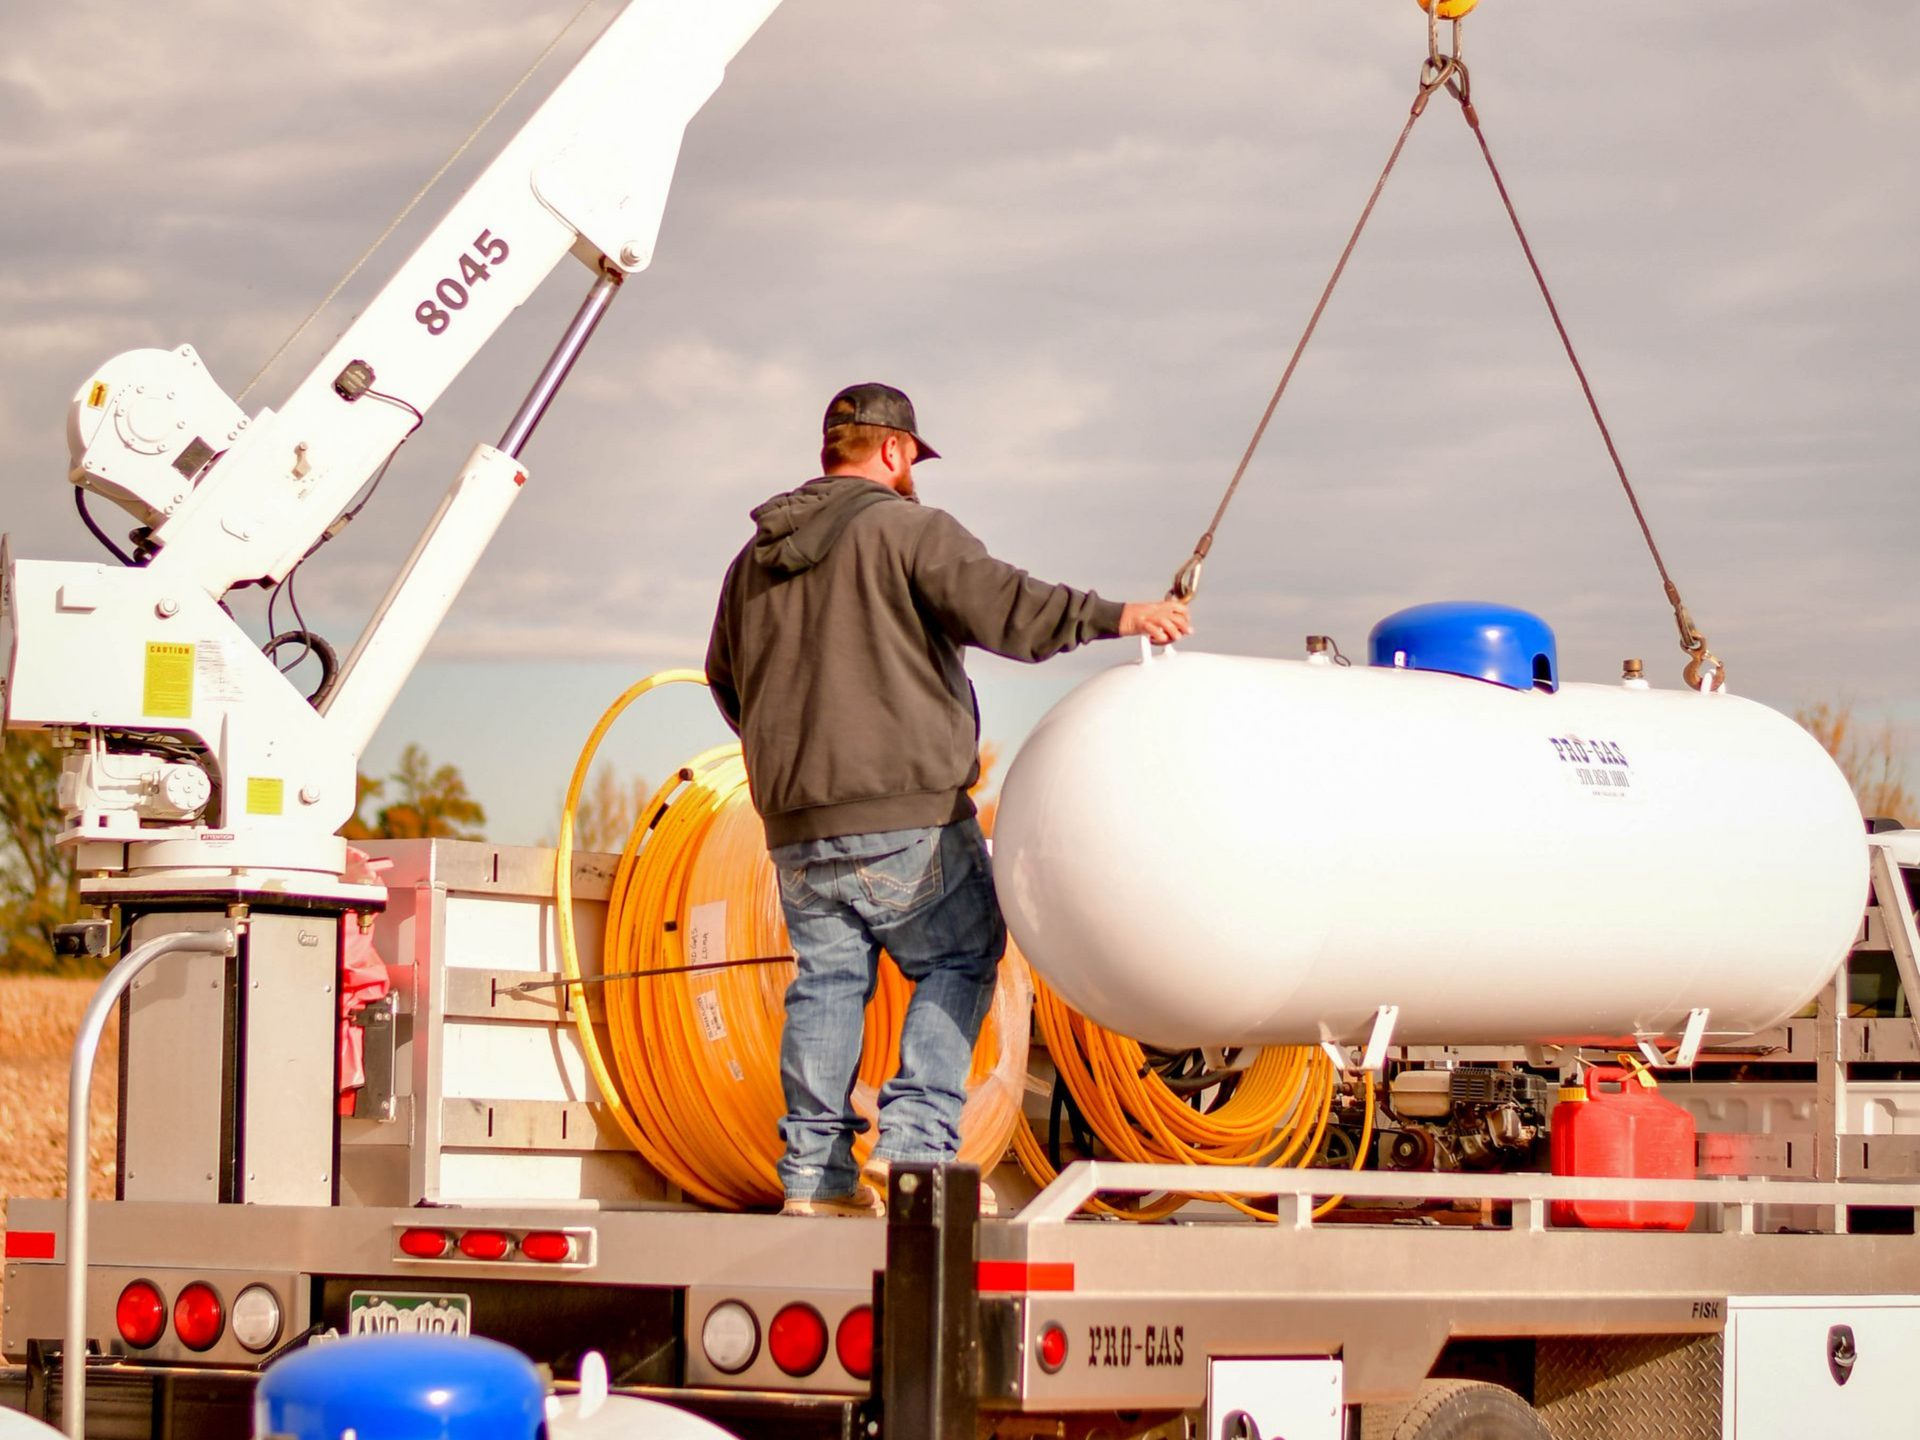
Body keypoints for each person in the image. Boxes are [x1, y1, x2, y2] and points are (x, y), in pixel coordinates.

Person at [706, 382, 1192, 1217]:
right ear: (894, 451)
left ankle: (814, 1180)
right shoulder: (907, 531)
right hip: (907, 814)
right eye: (912, 460)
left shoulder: (754, 560)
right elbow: (1008, 608)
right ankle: (919, 1156)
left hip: (794, 826)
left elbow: (725, 676)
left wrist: (792, 759)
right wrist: (1124, 616)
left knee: (825, 986)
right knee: (961, 955)